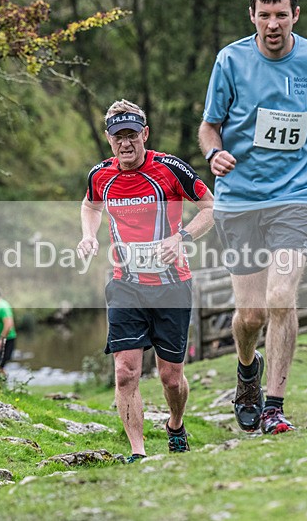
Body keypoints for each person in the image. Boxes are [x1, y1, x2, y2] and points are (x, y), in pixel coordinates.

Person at [197, 0, 307, 435]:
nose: (273, 24)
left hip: (296, 197)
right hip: (240, 200)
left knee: (281, 296)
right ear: (251, 15)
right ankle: (247, 370)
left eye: (281, 15)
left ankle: (274, 405)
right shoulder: (230, 61)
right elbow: (209, 126)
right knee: (251, 316)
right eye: (264, 15)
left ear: (295, 15)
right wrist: (213, 154)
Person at [78, 99, 214, 462]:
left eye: (132, 135)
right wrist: (88, 236)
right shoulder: (100, 175)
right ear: (108, 138)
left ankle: (175, 423)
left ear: (145, 134)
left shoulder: (169, 169)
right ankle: (138, 453)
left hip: (172, 285)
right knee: (125, 372)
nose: (125, 143)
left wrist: (182, 237)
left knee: (171, 378)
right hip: (125, 284)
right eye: (118, 137)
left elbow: (210, 208)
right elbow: (90, 205)